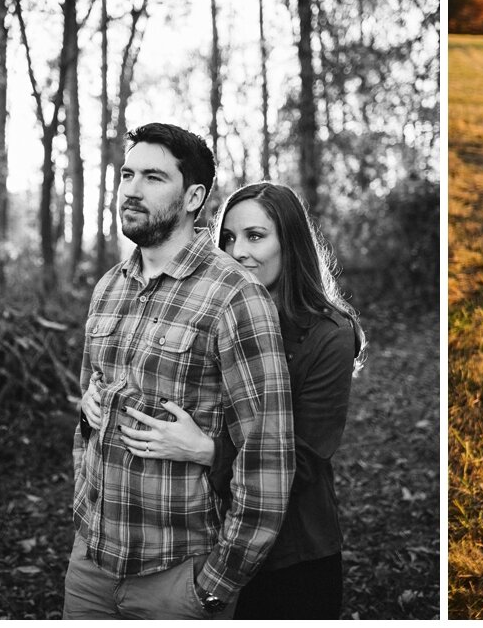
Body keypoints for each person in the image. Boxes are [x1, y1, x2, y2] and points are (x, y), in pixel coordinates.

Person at [65, 123, 294, 619]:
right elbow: (89, 413)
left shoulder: (236, 295)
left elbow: (268, 455)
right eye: (127, 174)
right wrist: (87, 416)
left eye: (153, 177)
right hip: (89, 566)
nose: (131, 188)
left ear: (193, 197)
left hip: (177, 575)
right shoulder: (109, 287)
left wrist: (215, 585)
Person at [122, 182, 367, 619]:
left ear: (289, 243)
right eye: (229, 238)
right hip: (205, 538)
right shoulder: (213, 315)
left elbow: (305, 458)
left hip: (293, 552)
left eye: (256, 236)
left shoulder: (329, 334)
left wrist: (205, 450)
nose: (238, 252)